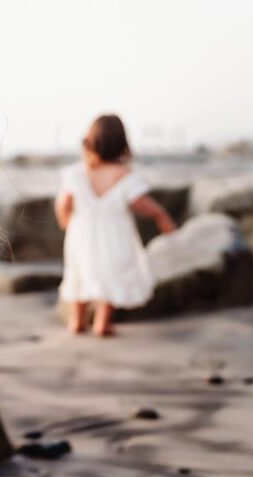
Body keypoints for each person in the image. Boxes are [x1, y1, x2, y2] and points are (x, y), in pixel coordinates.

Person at [54, 114, 176, 336]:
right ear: (122, 143)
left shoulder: (77, 173)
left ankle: (77, 322)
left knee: (79, 274)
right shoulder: (125, 176)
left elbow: (64, 203)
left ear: (90, 141)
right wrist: (161, 214)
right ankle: (102, 323)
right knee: (112, 275)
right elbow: (141, 203)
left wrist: (65, 220)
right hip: (115, 236)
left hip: (81, 234)